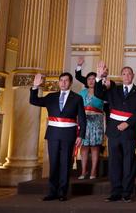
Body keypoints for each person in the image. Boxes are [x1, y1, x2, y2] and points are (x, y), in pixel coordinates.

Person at [95, 62, 136, 203]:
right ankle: (115, 192)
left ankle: (127, 192)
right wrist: (99, 77)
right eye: (124, 73)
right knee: (114, 163)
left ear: (133, 76)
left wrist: (127, 123)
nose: (126, 76)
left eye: (129, 73)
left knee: (129, 163)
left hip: (129, 132)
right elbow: (98, 93)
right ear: (121, 76)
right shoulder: (113, 90)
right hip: (114, 132)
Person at [30, 73, 86, 201]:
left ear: (70, 83)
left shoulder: (77, 98)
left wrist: (81, 135)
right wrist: (35, 87)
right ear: (58, 82)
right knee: (53, 163)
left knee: (65, 163)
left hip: (69, 134)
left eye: (66, 80)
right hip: (53, 134)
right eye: (61, 80)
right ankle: (52, 192)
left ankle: (62, 192)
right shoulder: (51, 97)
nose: (63, 83)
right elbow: (34, 101)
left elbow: (82, 119)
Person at [77, 70, 104, 180]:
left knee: (94, 147)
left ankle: (93, 171)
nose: (91, 81)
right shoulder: (82, 93)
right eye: (89, 79)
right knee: (84, 146)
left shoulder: (101, 91)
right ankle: (83, 171)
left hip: (96, 121)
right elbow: (77, 107)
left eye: (93, 79)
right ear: (86, 81)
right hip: (84, 121)